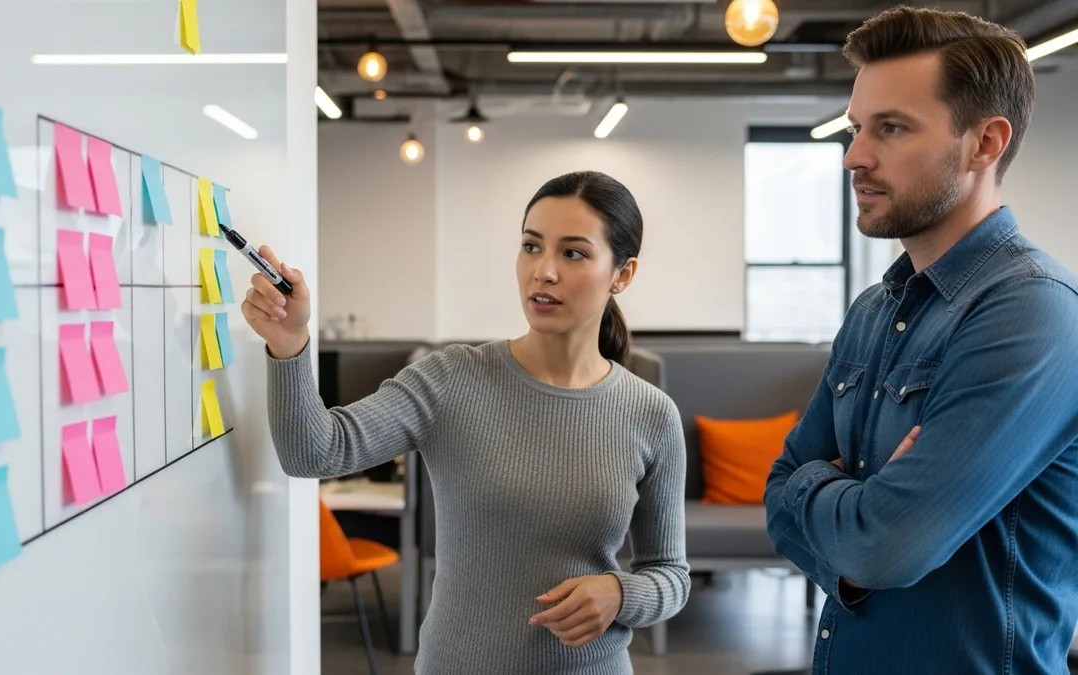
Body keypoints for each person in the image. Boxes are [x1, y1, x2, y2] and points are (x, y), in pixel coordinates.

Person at [243, 170, 690, 674]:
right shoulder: (452, 378)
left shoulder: (651, 414)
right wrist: (290, 344)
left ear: (622, 274)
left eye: (573, 253)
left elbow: (670, 575)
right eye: (530, 246)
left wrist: (620, 593)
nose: (543, 271)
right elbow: (313, 452)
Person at [764, 6, 1078, 674]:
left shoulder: (1035, 314)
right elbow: (778, 495)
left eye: (892, 128)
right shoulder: (872, 311)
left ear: (985, 143)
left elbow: (887, 546)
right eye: (856, 129)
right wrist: (852, 552)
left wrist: (845, 519)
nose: (854, 156)